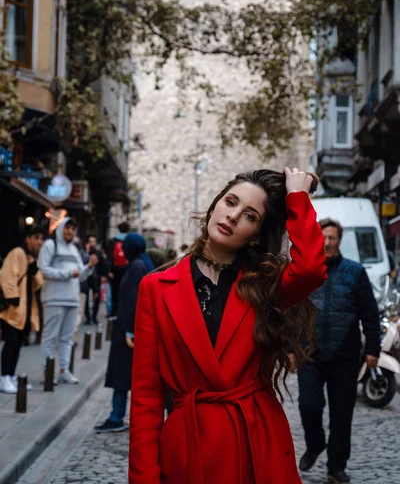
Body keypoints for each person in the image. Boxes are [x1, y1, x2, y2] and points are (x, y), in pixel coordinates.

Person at [129, 168, 327, 484]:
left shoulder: (265, 285)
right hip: (188, 448)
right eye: (230, 202)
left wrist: (297, 198)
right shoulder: (155, 288)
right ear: (215, 205)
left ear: (257, 234)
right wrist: (143, 478)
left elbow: (311, 271)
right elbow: (146, 398)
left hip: (255, 442)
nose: (233, 216)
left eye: (249, 215)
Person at [297, 217, 381, 484]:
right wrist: (289, 348)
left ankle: (336, 466)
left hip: (345, 355)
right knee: (308, 406)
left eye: (333, 237)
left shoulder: (355, 272)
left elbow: (369, 312)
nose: (328, 242)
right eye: (324, 237)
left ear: (339, 240)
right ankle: (315, 443)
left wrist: (373, 348)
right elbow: (292, 311)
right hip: (309, 354)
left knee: (341, 415)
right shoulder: (307, 271)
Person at [95, 233, 154, 432]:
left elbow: (134, 299)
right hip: (130, 327)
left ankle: (117, 416)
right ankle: (118, 415)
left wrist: (130, 331)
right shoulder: (141, 263)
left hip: (129, 330)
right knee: (125, 375)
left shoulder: (138, 266)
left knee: (122, 375)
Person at [39, 218, 98, 384]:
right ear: (60, 229)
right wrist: (67, 274)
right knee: (50, 337)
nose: (69, 232)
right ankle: (47, 372)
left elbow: (80, 275)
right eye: (67, 228)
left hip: (72, 299)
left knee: (67, 338)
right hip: (54, 298)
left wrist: (89, 267)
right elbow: (44, 270)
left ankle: (64, 370)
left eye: (72, 229)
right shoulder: (51, 246)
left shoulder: (74, 249)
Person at [0, 226, 45, 394]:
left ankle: (10, 376)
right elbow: (7, 276)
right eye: (36, 238)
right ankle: (4, 377)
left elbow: (39, 282)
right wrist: (12, 298)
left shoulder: (33, 258)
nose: (39, 242)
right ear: (28, 238)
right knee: (11, 342)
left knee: (18, 343)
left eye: (41, 238)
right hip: (14, 308)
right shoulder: (18, 253)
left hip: (26, 309)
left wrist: (33, 268)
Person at [81, 235, 108, 326]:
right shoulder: (84, 253)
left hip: (96, 278)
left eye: (94, 242)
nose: (92, 244)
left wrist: (104, 275)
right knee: (85, 297)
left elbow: (103, 264)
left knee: (97, 297)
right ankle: (87, 317)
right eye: (90, 242)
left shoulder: (98, 253)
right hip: (86, 278)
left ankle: (94, 317)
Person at [107, 222, 130, 317]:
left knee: (114, 291)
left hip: (115, 269)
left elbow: (109, 257)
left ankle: (113, 312)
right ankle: (123, 312)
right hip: (126, 269)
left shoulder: (113, 241)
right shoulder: (129, 240)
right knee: (125, 291)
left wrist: (109, 271)